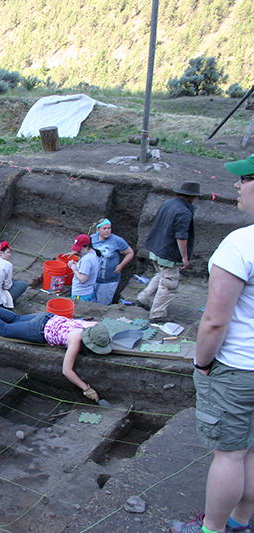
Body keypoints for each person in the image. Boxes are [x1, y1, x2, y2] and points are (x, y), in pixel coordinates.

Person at [170, 156, 254, 533]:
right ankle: (241, 521)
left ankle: (212, 529)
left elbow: (215, 319)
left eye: (246, 179)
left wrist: (203, 363)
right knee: (251, 450)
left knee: (230, 455)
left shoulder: (240, 244)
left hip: (238, 366)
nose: (237, 185)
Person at [0, 303, 112, 402]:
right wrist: (86, 388)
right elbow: (67, 370)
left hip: (48, 317)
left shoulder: (93, 325)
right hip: (38, 330)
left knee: (15, 318)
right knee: (4, 330)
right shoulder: (75, 339)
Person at [136, 181, 201, 320]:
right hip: (168, 253)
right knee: (169, 284)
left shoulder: (167, 204)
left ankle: (143, 299)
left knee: (161, 275)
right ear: (192, 197)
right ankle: (157, 314)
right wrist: (184, 257)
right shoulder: (184, 212)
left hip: (156, 248)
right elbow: (181, 236)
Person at [90, 219, 134, 305]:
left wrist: (121, 265)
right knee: (90, 303)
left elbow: (130, 253)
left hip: (108, 280)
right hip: (93, 278)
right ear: (98, 229)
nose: (107, 231)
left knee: (102, 304)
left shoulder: (117, 240)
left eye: (109, 228)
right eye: (104, 228)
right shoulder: (92, 238)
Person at [67, 234, 100, 302]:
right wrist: (77, 265)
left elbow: (82, 280)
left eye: (79, 249)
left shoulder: (87, 260)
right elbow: (87, 269)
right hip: (87, 291)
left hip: (81, 293)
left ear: (87, 246)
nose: (77, 251)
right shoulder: (93, 254)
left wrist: (74, 268)